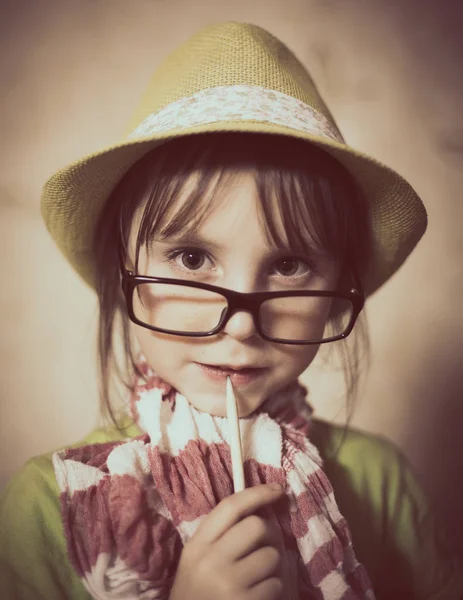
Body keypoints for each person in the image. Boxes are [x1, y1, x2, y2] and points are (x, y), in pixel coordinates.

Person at [0, 20, 462, 600]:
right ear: (125, 276)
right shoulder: (48, 505)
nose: (242, 325)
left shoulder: (381, 482)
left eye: (290, 265)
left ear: (337, 288)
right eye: (192, 257)